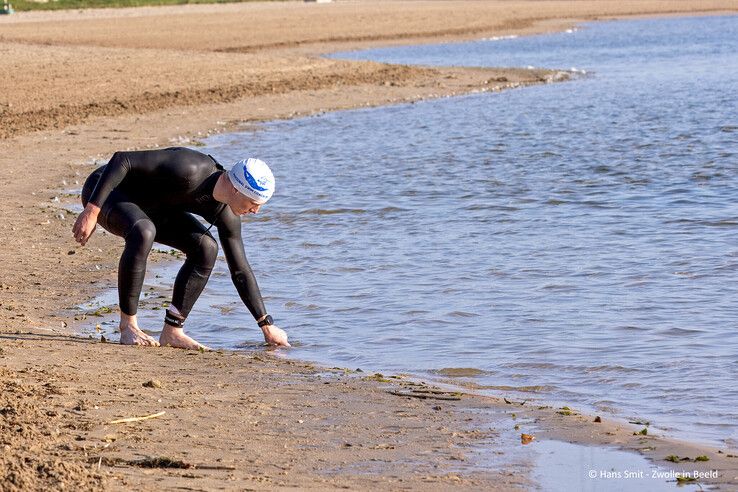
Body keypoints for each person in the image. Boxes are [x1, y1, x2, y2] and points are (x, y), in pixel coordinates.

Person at [72, 147, 290, 350]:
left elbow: (240, 269)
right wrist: (92, 211)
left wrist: (266, 325)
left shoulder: (227, 214)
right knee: (144, 231)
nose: (256, 210)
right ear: (235, 189)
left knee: (206, 248)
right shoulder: (191, 168)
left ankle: (172, 331)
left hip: (151, 205)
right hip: (107, 189)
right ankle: (128, 326)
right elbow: (123, 159)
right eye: (254, 202)